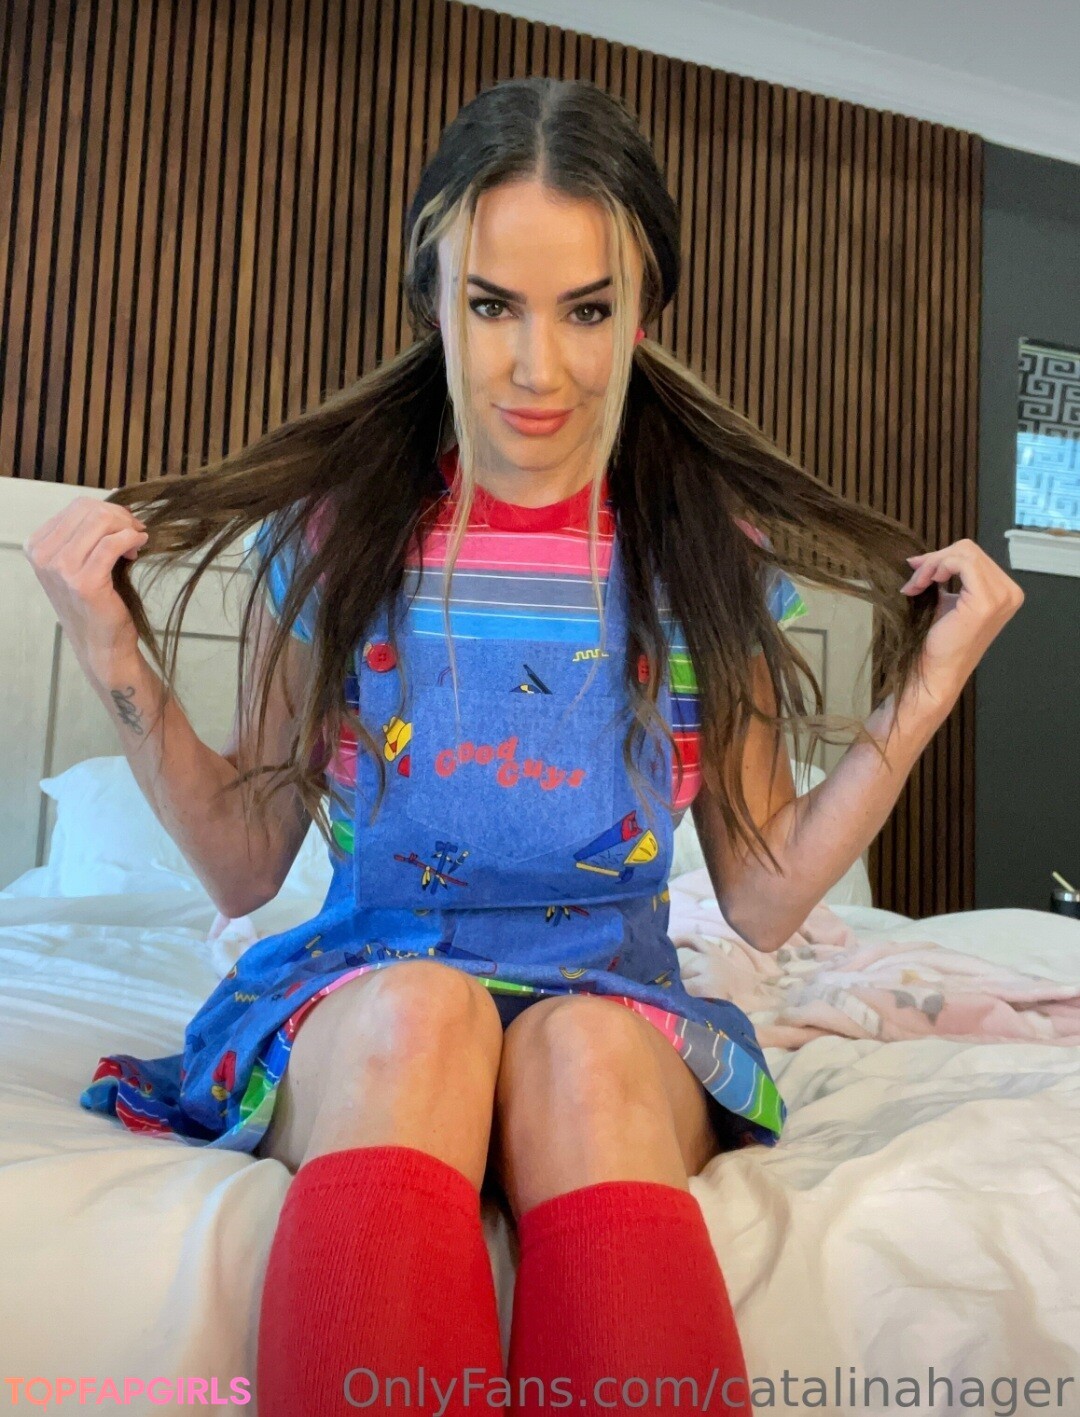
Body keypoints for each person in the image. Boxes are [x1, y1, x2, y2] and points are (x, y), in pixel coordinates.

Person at [24, 76, 1023, 1417]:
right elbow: (245, 862)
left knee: (582, 1052)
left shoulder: (700, 556)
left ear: (643, 315)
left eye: (586, 310)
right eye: (493, 305)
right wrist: (110, 650)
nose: (538, 368)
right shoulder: (331, 537)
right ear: (432, 299)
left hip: (613, 1004)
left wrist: (927, 689)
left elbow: (765, 893)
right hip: (370, 985)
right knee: (420, 1013)